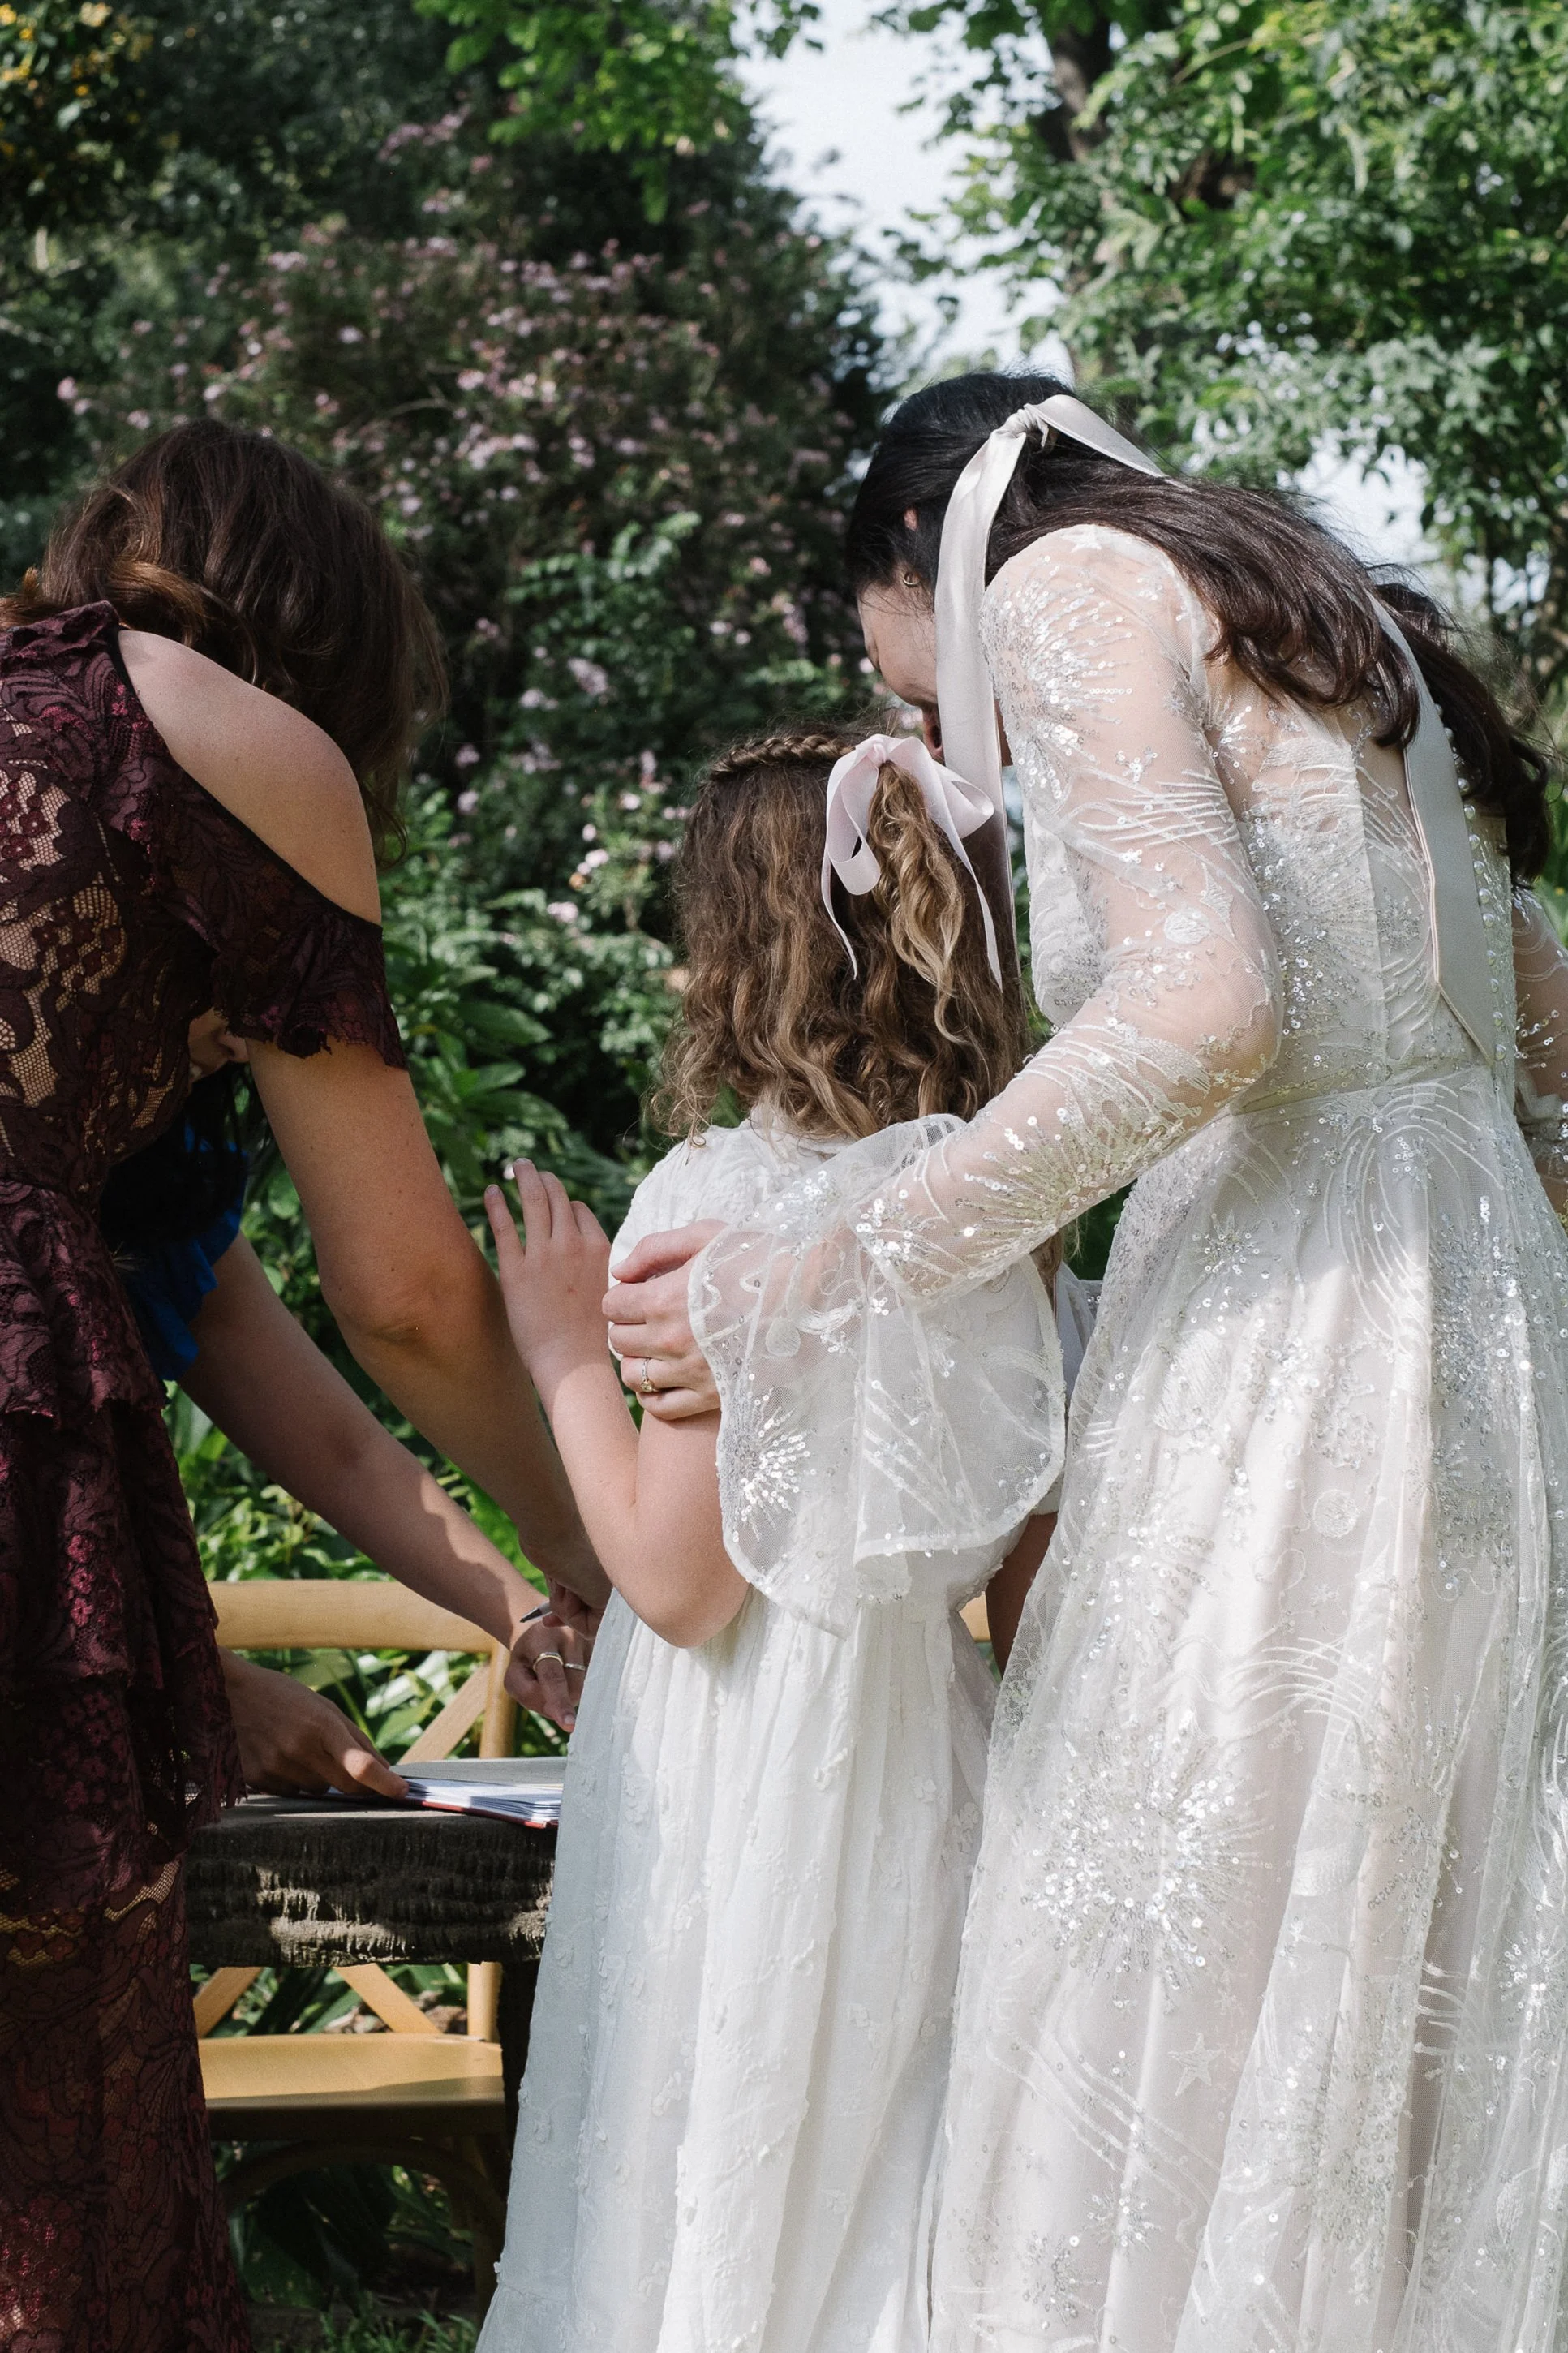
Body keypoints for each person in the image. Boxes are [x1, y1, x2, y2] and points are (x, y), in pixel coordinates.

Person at [600, 372, 1568, 2351]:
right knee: (1398, 1941)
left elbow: (1206, 1005)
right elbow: (1540, 1020)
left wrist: (829, 1269)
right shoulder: (1337, 626)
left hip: (1290, 1344)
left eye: (871, 641)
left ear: (916, 558)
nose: (893, 696)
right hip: (1479, 1322)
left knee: (1174, 1923)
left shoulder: (1055, 588)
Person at [0, 420, 606, 2353]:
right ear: (333, 655)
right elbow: (414, 1300)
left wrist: (523, 1595)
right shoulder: (237, 758)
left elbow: (281, 1368)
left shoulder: (86, 1021)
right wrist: (631, 1551)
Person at [473, 729, 1063, 2353]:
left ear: (729, 951)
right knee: (886, 2177)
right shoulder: (975, 1206)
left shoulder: (712, 1198)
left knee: (705, 2149)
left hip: (742, 1773)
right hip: (913, 1769)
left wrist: (556, 1353)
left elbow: (673, 1578)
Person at [102, 1030, 592, 1780]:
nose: (243, 1038)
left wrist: (523, 1613)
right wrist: (210, 1689)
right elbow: (403, 1305)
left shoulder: (161, 1189)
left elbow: (340, 1449)